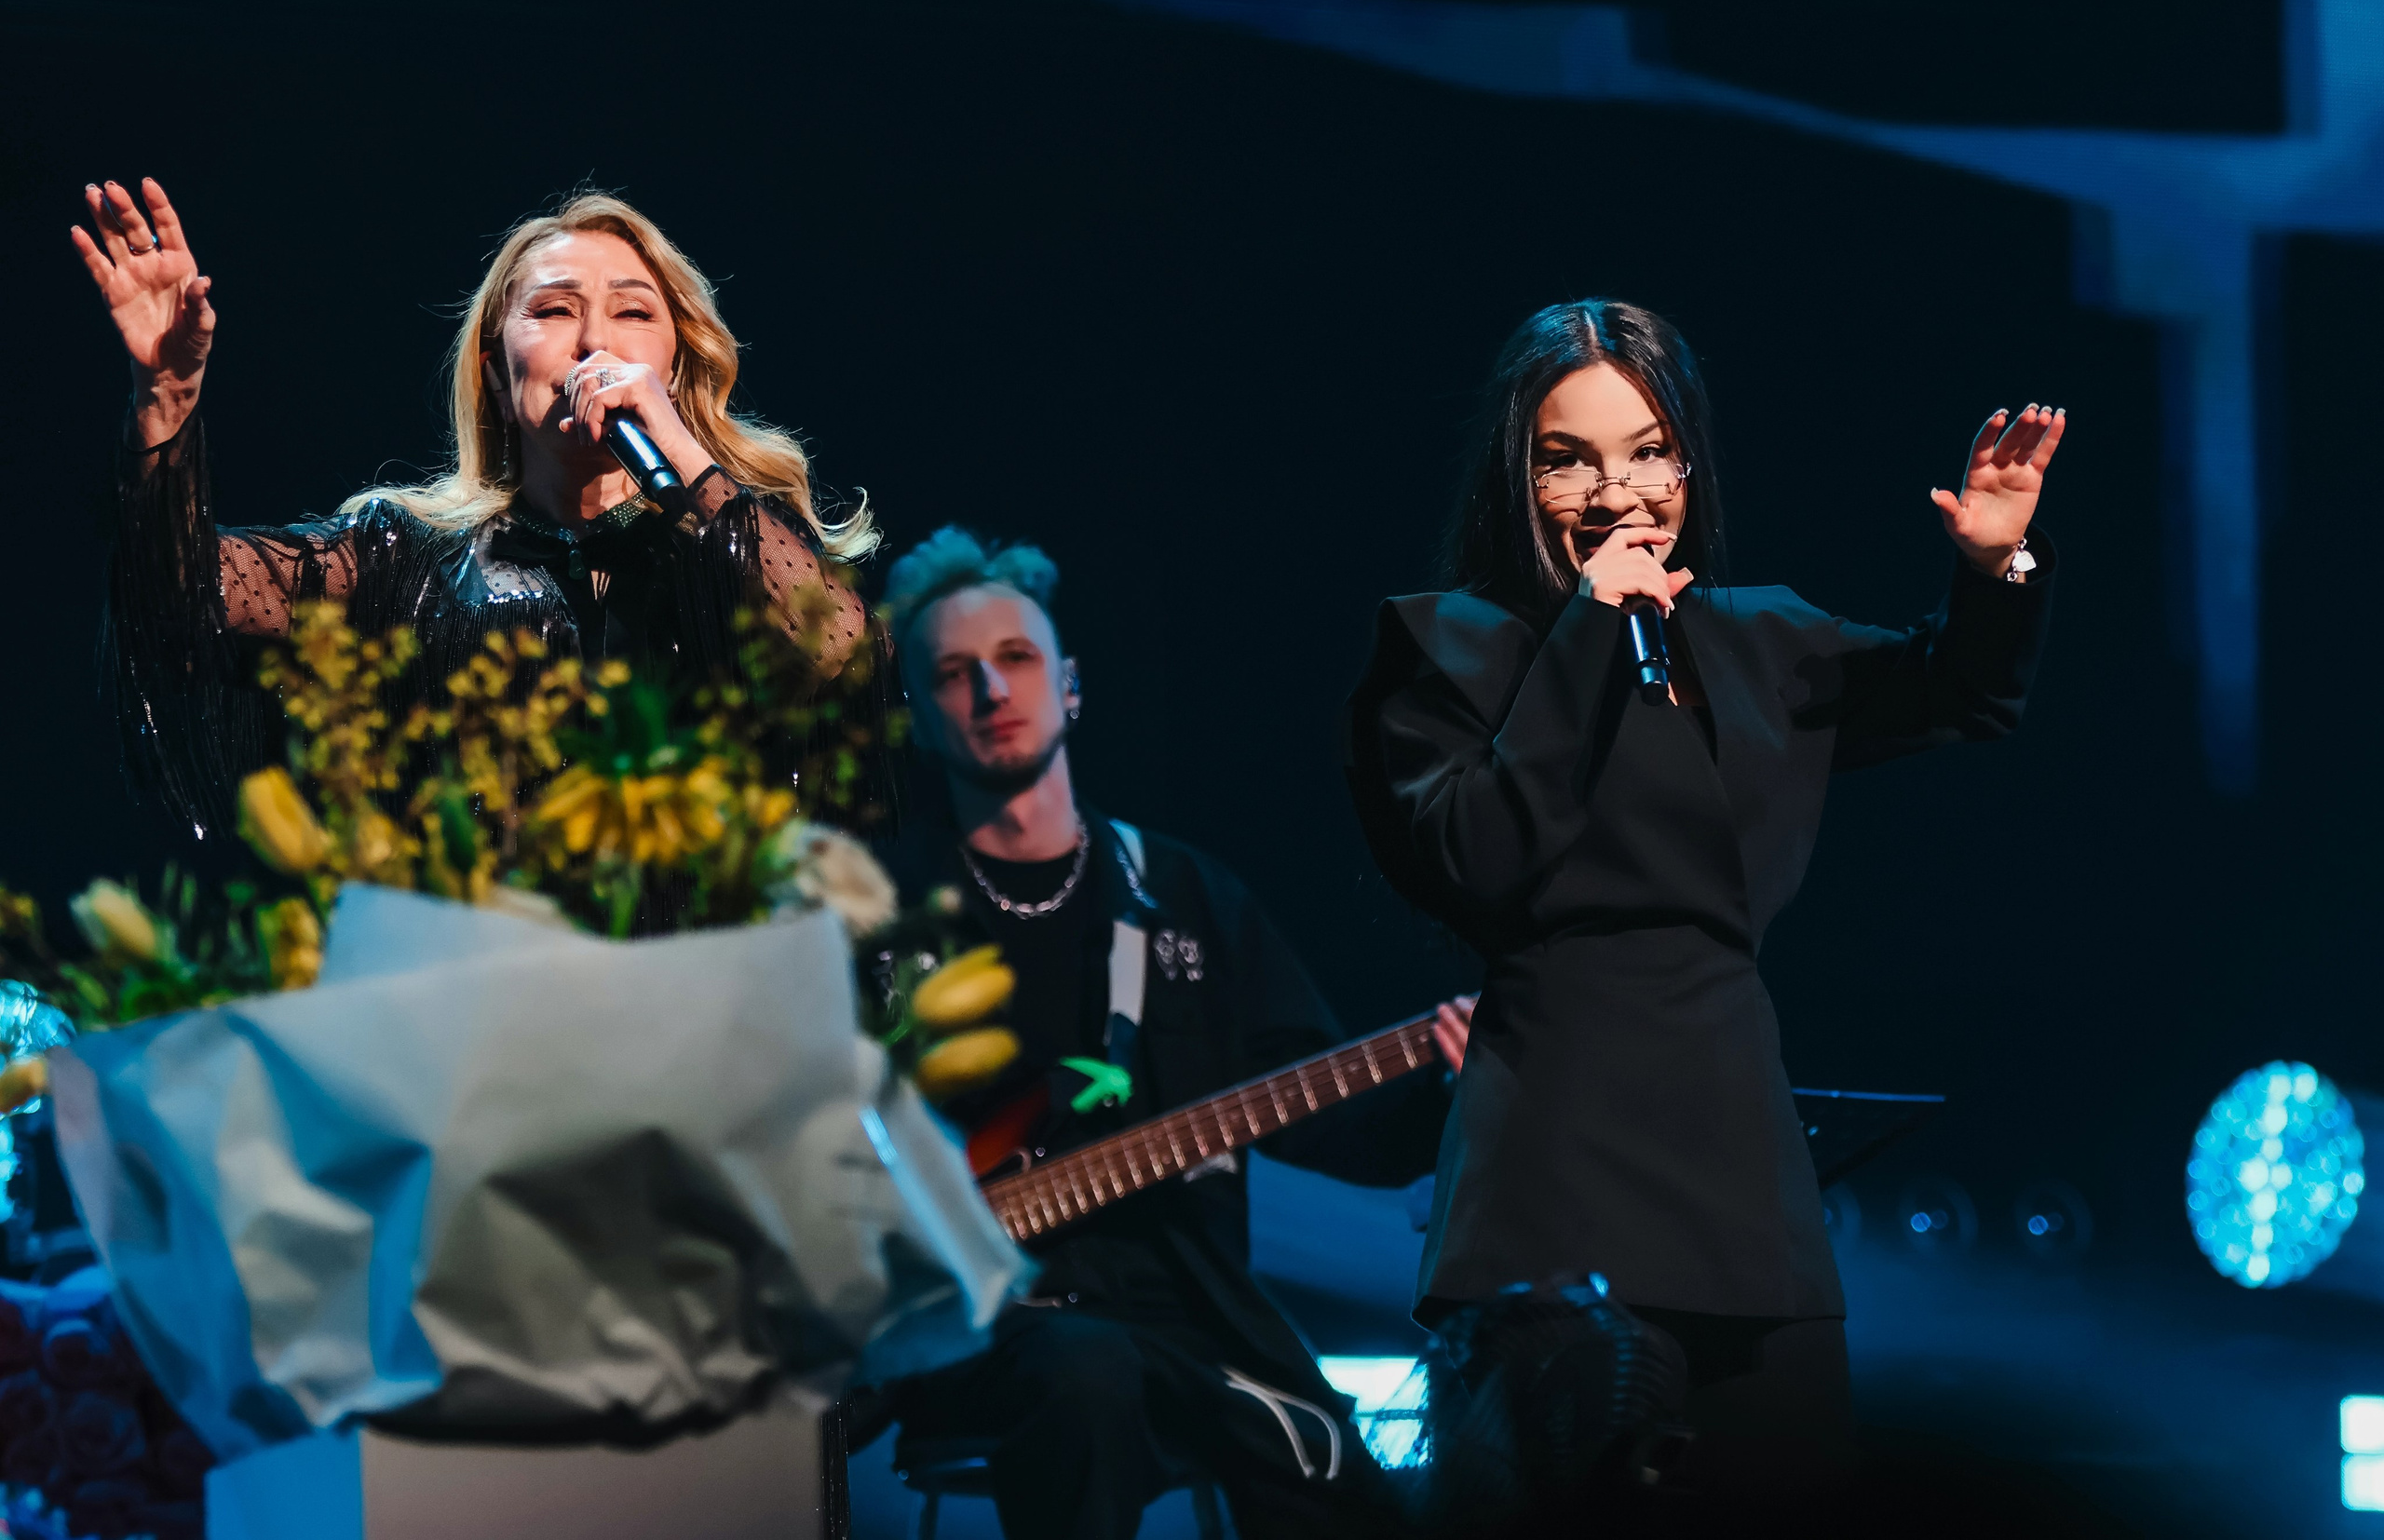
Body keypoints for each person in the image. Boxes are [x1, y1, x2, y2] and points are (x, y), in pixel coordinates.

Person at [1342, 300, 2062, 1516]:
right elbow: (1476, 854)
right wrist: (1583, 636)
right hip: (1550, 1181)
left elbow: (1961, 691)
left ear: (1689, 465)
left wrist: (1999, 561)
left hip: (1743, 1185)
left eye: (1648, 451)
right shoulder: (1443, 650)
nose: (1618, 490)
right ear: (1519, 478)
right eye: (1568, 458)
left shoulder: (1756, 638)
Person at [867, 526, 1475, 1540]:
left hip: (1197, 1322)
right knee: (1084, 1375)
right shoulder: (886, 910)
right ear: (923, 715)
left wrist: (1440, 1083)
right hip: (990, 1334)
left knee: (1357, 1493)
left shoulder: (1186, 892)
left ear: (1069, 686)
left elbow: (1316, 1115)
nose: (989, 690)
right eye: (954, 672)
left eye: (1015, 659)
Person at [74, 178, 876, 841]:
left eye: (635, 313)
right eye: (555, 310)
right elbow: (174, 596)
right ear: (496, 371)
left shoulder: (741, 549)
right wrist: (167, 399)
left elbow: (843, 650)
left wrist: (678, 451)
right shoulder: (401, 556)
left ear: (677, 360)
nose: (596, 339)